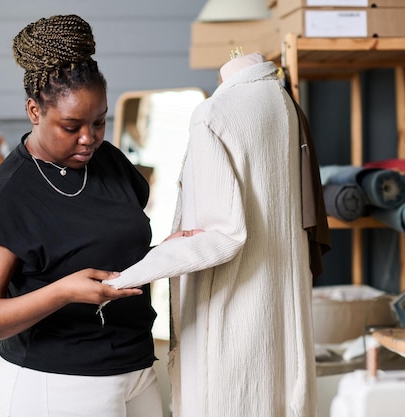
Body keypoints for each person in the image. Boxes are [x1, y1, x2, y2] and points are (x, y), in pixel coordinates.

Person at [0, 14, 198, 417]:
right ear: (34, 111)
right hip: (58, 383)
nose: (89, 138)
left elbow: (116, 251)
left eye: (99, 122)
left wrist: (164, 253)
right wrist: (64, 291)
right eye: (71, 127)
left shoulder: (112, 163)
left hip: (136, 367)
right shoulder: (8, 195)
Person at [103, 52, 331, 417]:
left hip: (229, 328)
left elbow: (223, 235)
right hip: (275, 323)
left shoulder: (213, 115)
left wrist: (124, 279)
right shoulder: (283, 103)